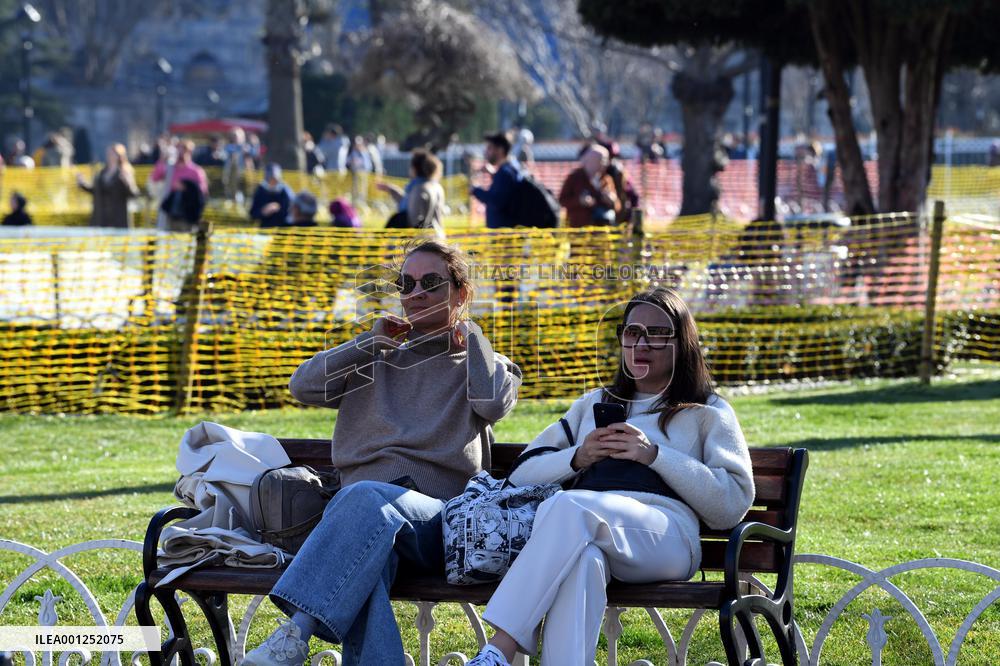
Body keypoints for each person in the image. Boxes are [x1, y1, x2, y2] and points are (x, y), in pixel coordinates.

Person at [242, 239, 522, 666]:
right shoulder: (374, 357)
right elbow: (303, 386)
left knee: (363, 498)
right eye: (406, 284)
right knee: (365, 560)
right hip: (362, 525)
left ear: (460, 293)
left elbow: (492, 404)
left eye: (431, 282)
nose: (417, 294)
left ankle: (297, 631)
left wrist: (474, 339)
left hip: (435, 524)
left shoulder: (484, 363)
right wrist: (368, 344)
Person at [466, 288, 755, 666]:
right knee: (584, 561)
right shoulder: (594, 403)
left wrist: (654, 455)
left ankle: (498, 649)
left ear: (682, 342)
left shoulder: (708, 411)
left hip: (668, 539)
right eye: (632, 331)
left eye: (657, 333)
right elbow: (521, 475)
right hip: (590, 533)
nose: (641, 343)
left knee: (570, 505)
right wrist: (578, 456)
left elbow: (731, 504)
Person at [376, 149, 445, 231]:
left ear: (415, 168)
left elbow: (413, 219)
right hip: (438, 235)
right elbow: (410, 204)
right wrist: (392, 190)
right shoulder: (436, 186)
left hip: (422, 240)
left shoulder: (419, 188)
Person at [76, 144, 140, 228]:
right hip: (102, 218)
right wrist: (82, 184)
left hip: (118, 219)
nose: (110, 156)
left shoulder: (125, 172)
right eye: (109, 154)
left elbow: (134, 194)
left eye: (113, 154)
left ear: (119, 156)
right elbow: (95, 191)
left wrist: (127, 182)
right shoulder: (102, 173)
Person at [150, 140, 209, 231]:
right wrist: (162, 159)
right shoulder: (170, 168)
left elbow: (202, 192)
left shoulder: (196, 171)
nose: (181, 153)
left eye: (184, 150)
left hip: (187, 216)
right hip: (170, 214)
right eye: (179, 150)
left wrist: (186, 187)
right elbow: (155, 177)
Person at [558, 144, 620, 228]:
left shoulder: (606, 179)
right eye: (602, 160)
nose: (605, 164)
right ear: (591, 160)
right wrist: (579, 201)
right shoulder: (574, 178)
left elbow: (617, 206)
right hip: (579, 228)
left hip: (603, 230)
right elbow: (562, 200)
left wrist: (611, 200)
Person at [471, 132, 521, 229]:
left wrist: (475, 190)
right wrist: (494, 174)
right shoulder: (511, 168)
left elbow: (495, 201)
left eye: (489, 148)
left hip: (505, 236)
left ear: (500, 150)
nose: (486, 152)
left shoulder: (505, 172)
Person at [250, 163, 295, 228]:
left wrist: (279, 210)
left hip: (283, 230)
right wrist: (263, 211)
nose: (272, 183)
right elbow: (252, 214)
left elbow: (292, 216)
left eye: (275, 180)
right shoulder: (260, 190)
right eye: (270, 180)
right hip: (265, 229)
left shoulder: (286, 192)